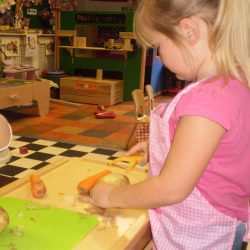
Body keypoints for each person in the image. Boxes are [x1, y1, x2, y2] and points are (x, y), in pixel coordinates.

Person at [82, 0, 250, 249]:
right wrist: (160, 146)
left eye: (158, 45)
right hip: (216, 223)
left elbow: (171, 189)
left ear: (188, 32)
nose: (158, 55)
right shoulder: (231, 83)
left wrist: (111, 195)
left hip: (203, 235)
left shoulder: (208, 100)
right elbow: (217, 153)